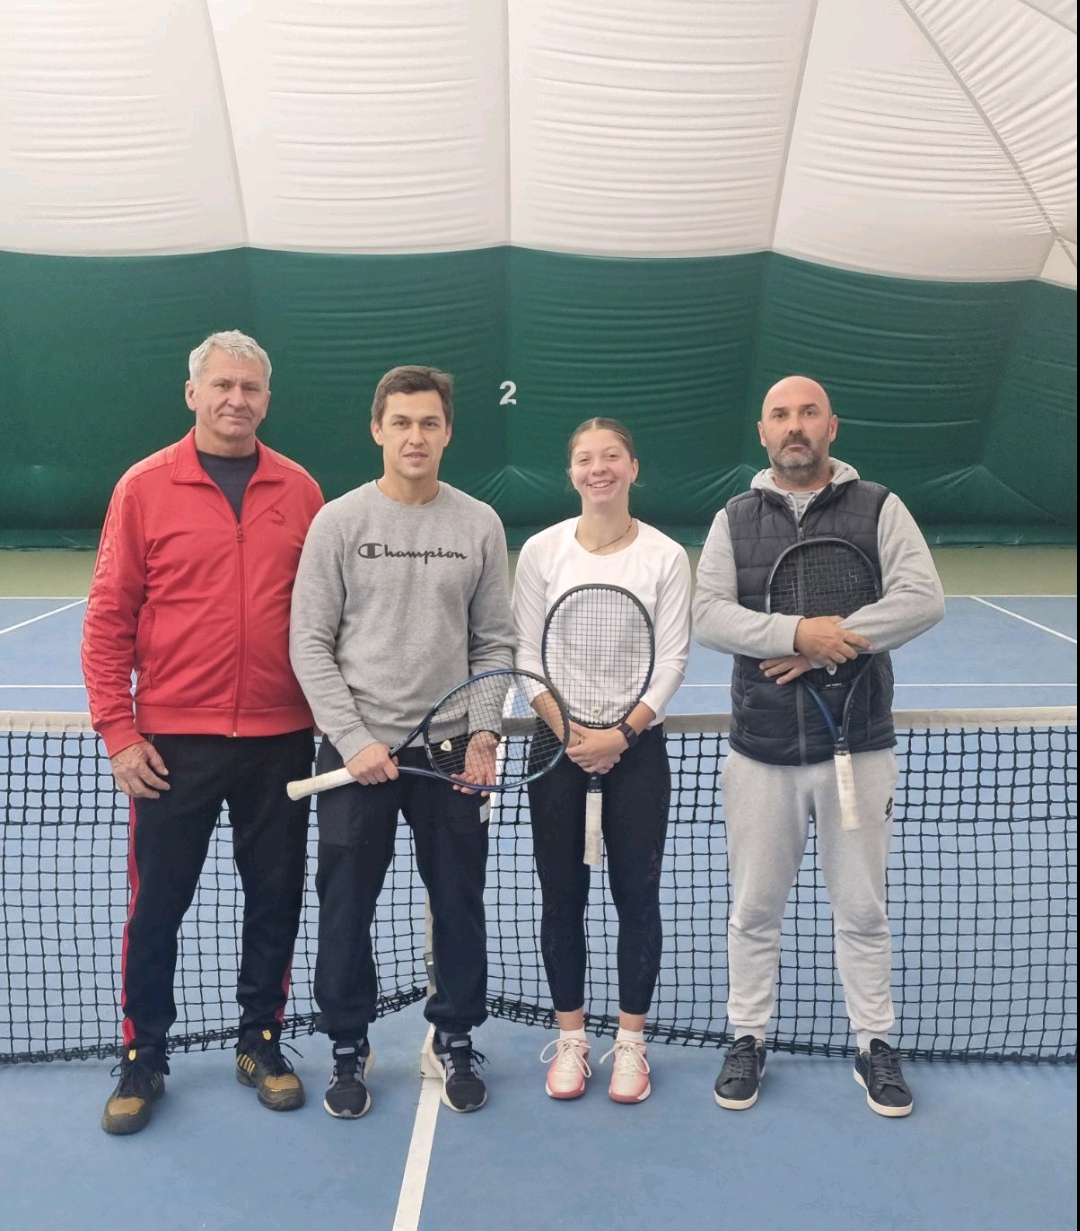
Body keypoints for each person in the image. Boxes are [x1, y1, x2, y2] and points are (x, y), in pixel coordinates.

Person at [82, 330, 324, 1135]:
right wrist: (119, 731)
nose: (236, 399)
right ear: (193, 393)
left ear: (267, 399)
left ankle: (261, 1040)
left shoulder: (301, 490)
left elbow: (327, 617)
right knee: (157, 907)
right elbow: (108, 618)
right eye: (222, 385)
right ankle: (142, 1053)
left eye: (250, 387)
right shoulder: (143, 486)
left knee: (275, 899)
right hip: (170, 746)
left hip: (280, 741)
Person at [693, 374, 945, 1117]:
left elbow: (923, 599)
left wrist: (832, 641)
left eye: (808, 413)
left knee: (863, 909)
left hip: (858, 746)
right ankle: (747, 1036)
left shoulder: (880, 506)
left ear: (832, 426)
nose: (794, 425)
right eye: (780, 415)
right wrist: (795, 633)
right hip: (761, 752)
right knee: (753, 909)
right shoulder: (733, 518)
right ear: (763, 431)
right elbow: (708, 614)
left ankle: (874, 1043)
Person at [289, 365, 515, 1118]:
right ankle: (347, 1044)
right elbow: (309, 642)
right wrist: (354, 739)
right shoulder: (339, 522)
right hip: (358, 757)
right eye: (402, 422)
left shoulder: (479, 523)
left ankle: (455, 1035)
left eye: (429, 423)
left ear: (447, 432)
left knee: (459, 902)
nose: (415, 436)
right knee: (344, 907)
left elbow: (493, 642)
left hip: (451, 754)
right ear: (377, 430)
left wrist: (483, 730)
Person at [512, 418, 691, 1103]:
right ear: (572, 472)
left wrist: (621, 734)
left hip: (637, 753)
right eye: (585, 458)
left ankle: (631, 1044)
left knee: (636, 898)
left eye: (611, 455)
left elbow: (671, 659)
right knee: (562, 897)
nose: (599, 468)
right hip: (555, 747)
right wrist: (572, 732)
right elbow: (526, 654)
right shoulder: (542, 551)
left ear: (633, 466)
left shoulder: (665, 556)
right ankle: (572, 1039)